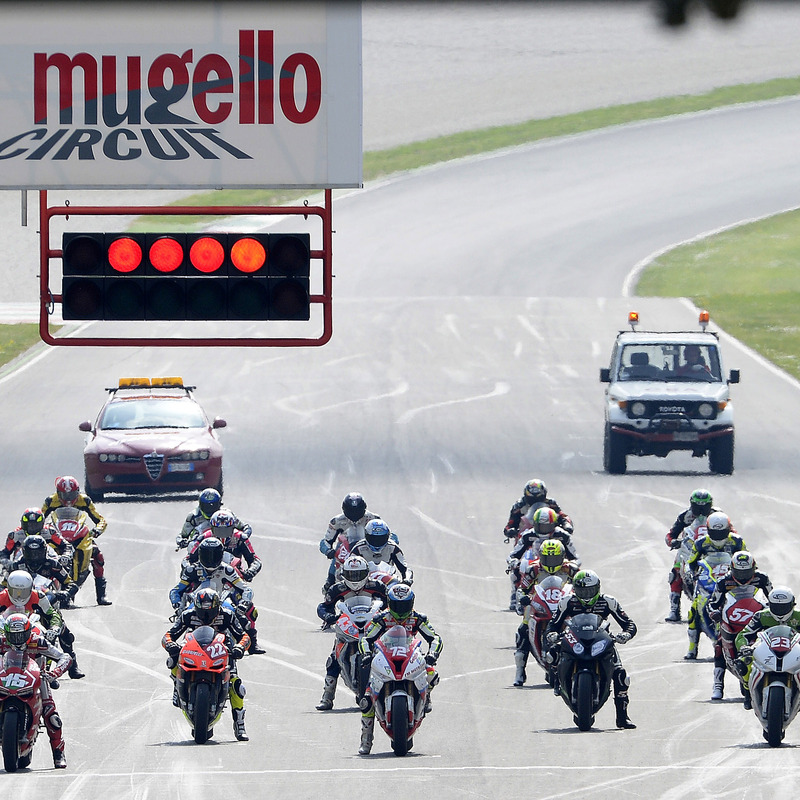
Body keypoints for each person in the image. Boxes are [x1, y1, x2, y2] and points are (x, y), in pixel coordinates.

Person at [356, 584, 443, 755]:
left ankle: (427, 695)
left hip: (411, 655)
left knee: (432, 675)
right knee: (367, 698)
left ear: (411, 603)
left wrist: (432, 654)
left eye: (404, 605)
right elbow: (366, 639)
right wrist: (366, 654)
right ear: (390, 603)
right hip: (384, 657)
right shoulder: (381, 618)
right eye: (397, 605)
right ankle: (366, 739)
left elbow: (435, 638)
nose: (401, 610)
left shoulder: (418, 618)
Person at [545, 569, 637, 729]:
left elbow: (628, 623)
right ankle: (556, 679)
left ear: (598, 588)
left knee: (621, 675)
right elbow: (553, 624)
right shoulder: (566, 602)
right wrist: (552, 634)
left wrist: (626, 634)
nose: (586, 595)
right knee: (552, 653)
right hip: (575, 640)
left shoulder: (608, 601)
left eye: (590, 591)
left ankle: (622, 718)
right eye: (582, 591)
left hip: (601, 641)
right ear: (575, 590)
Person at [162, 587, 251, 741]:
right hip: (194, 648)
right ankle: (176, 686)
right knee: (174, 658)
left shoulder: (227, 615)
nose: (206, 616)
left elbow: (244, 636)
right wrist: (170, 644)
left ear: (217, 607)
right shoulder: (188, 615)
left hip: (221, 650)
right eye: (202, 612)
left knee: (236, 684)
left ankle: (239, 723)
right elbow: (168, 635)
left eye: (209, 612)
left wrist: (240, 647)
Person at [183, 511, 265, 654]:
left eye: (226, 530)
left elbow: (255, 559)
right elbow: (188, 558)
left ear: (233, 528)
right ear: (212, 528)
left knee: (248, 608)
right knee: (191, 601)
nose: (223, 534)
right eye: (219, 530)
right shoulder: (204, 538)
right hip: (206, 577)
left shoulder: (240, 538)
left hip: (232, 578)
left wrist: (250, 571)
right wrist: (189, 570)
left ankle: (252, 642)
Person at [315, 555, 388, 711]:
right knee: (334, 658)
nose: (355, 579)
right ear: (344, 574)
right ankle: (327, 697)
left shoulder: (377, 586)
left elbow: (390, 603)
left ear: (366, 573)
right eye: (351, 575)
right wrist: (328, 616)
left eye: (359, 574)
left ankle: (389, 689)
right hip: (348, 624)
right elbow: (324, 606)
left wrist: (386, 616)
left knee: (388, 651)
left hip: (371, 624)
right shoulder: (337, 589)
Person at [0, 612, 71, 768]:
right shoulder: (2, 641)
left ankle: (58, 753)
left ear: (28, 632)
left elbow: (64, 657)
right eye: (14, 636)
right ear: (7, 634)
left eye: (21, 635)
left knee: (51, 715)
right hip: (7, 678)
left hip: (37, 679)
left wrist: (54, 673)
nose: (18, 640)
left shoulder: (37, 641)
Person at [512, 539, 580, 687]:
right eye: (547, 558)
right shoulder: (533, 569)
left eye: (554, 558)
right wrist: (523, 598)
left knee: (579, 626)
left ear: (562, 556)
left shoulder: (571, 569)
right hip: (539, 603)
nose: (551, 562)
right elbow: (522, 588)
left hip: (564, 604)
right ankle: (520, 671)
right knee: (523, 629)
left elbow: (582, 585)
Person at [706, 551, 771, 701]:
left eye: (746, 572)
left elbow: (771, 598)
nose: (743, 576)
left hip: (755, 617)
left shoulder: (762, 578)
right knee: (719, 645)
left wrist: (769, 611)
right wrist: (714, 613)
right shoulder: (723, 581)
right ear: (732, 569)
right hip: (731, 618)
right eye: (739, 572)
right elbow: (712, 603)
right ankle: (718, 685)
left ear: (753, 569)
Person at [0, 569, 84, 681]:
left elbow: (52, 614)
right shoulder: (1, 597)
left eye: (23, 592)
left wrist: (54, 628)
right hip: (5, 627)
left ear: (30, 588)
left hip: (31, 625)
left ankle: (69, 668)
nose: (19, 596)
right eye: (15, 591)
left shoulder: (38, 596)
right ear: (9, 588)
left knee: (62, 630)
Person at [684, 511, 747, 660]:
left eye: (721, 532)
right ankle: (692, 647)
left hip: (733, 580)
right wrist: (689, 573)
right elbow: (691, 562)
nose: (718, 536)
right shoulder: (701, 543)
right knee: (694, 610)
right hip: (708, 578)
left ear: (728, 530)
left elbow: (747, 558)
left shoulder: (737, 541)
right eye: (715, 532)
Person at [42, 476, 111, 606]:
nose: (68, 499)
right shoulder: (51, 501)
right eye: (64, 495)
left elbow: (100, 519)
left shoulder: (85, 500)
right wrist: (42, 531)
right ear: (58, 493)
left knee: (98, 556)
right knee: (42, 552)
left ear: (78, 492)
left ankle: (101, 596)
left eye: (72, 494)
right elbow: (40, 517)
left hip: (78, 533)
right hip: (58, 534)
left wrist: (97, 530)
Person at [735, 587, 800, 710]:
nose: (780, 611)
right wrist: (743, 646)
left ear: (792, 604)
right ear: (769, 604)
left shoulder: (799, 615)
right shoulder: (760, 615)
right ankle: (748, 692)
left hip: (794, 652)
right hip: (767, 651)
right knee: (744, 661)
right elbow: (743, 634)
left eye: (784, 607)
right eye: (776, 607)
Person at [506, 506, 580, 611]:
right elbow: (513, 554)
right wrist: (515, 563)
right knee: (519, 571)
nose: (543, 529)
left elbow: (575, 556)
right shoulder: (527, 535)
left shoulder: (563, 535)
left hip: (560, 565)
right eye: (540, 526)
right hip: (535, 561)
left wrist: (571, 564)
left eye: (546, 526)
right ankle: (515, 596)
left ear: (554, 524)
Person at [664, 488, 720, 622]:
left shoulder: (718, 516)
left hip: (713, 547)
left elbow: (732, 531)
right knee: (676, 571)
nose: (700, 510)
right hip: (690, 546)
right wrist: (673, 542)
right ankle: (674, 609)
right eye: (697, 507)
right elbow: (670, 534)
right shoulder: (685, 516)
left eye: (704, 507)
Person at [319, 493, 382, 593]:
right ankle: (330, 582)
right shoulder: (337, 521)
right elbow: (326, 541)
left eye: (357, 511)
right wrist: (328, 551)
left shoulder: (373, 518)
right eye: (351, 511)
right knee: (336, 560)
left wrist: (388, 543)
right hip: (345, 550)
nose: (354, 514)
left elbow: (389, 534)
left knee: (385, 564)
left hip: (369, 550)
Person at [175, 487, 252, 550]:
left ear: (219, 504)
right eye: (206, 506)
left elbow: (246, 527)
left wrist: (243, 537)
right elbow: (182, 535)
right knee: (188, 562)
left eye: (212, 506)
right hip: (201, 549)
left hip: (227, 546)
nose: (209, 509)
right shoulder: (193, 516)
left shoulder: (227, 515)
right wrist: (182, 541)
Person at [1, 507, 71, 573]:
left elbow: (67, 545)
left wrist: (65, 556)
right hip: (21, 565)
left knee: (64, 572)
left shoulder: (50, 532)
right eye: (29, 525)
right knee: (6, 575)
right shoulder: (15, 535)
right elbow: (4, 553)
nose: (32, 528)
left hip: (46, 564)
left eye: (35, 525)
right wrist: (7, 562)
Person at [349, 519, 413, 586]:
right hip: (364, 584)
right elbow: (348, 566)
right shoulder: (358, 548)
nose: (377, 541)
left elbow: (405, 569)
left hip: (389, 581)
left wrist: (407, 579)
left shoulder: (393, 548)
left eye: (381, 538)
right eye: (373, 538)